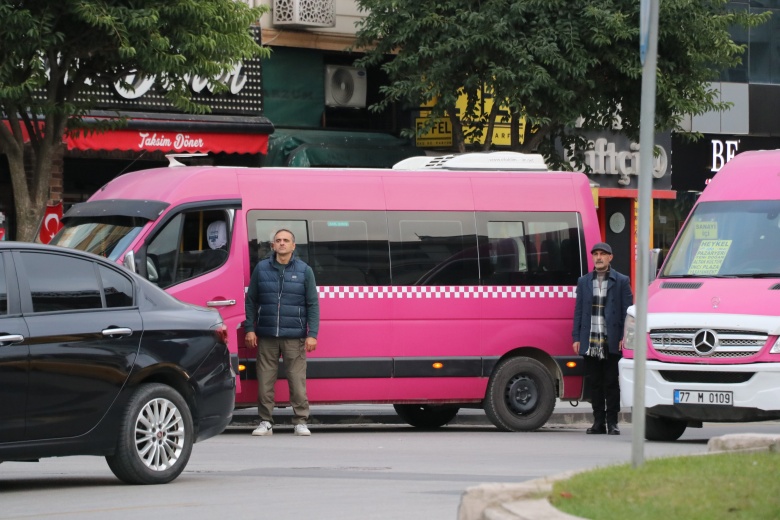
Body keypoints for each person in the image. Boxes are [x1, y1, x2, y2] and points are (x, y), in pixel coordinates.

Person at [245, 229, 320, 436]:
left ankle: (300, 421)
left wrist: (312, 334)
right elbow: (251, 301)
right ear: (272, 246)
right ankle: (265, 421)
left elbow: (312, 304)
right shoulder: (261, 269)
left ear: (293, 246)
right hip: (267, 335)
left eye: (286, 240)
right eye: (278, 241)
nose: (282, 244)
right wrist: (250, 329)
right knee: (265, 381)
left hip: (294, 336)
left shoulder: (305, 271)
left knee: (297, 381)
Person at [572, 242, 633, 436]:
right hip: (590, 339)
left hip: (611, 339)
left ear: (610, 257)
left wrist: (625, 336)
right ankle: (598, 422)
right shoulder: (584, 281)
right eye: (595, 254)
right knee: (595, 383)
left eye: (602, 254)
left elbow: (628, 311)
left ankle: (613, 422)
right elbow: (579, 311)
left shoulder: (621, 281)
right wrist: (576, 337)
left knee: (611, 383)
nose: (598, 257)